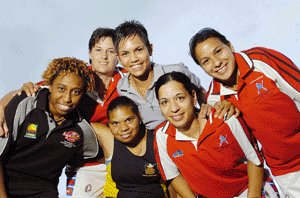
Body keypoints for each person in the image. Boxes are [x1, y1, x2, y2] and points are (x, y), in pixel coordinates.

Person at [0, 28, 125, 197]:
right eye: (98, 50)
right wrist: (1, 105)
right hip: (10, 181)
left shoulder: (127, 79)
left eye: (111, 51)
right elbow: (28, 92)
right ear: (90, 53)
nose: (104, 56)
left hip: (48, 184)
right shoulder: (73, 76)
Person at [189, 28, 300, 197]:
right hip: (287, 172)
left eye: (218, 51)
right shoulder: (215, 100)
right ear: (202, 68)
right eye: (206, 61)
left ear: (230, 46)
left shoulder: (261, 60)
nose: (217, 62)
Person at [154, 71, 280, 197]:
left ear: (193, 97)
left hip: (249, 190)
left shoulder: (225, 119)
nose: (174, 108)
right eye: (165, 102)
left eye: (180, 98)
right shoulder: (162, 136)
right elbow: (174, 176)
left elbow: (254, 159)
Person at [0, 57, 99, 197]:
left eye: (76, 92)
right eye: (61, 88)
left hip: (43, 190)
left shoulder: (81, 129)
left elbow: (97, 157)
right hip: (5, 183)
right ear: (50, 85)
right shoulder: (25, 105)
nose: (67, 98)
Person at [114, 20, 237, 130]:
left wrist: (207, 109)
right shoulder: (122, 87)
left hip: (190, 130)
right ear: (118, 59)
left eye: (139, 50)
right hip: (158, 141)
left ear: (150, 49)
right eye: (125, 54)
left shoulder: (176, 70)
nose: (134, 58)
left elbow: (199, 90)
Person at [92, 96, 173, 198]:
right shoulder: (109, 139)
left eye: (129, 120)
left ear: (139, 117)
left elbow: (174, 182)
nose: (123, 128)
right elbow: (78, 124)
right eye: (115, 123)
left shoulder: (157, 140)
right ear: (109, 124)